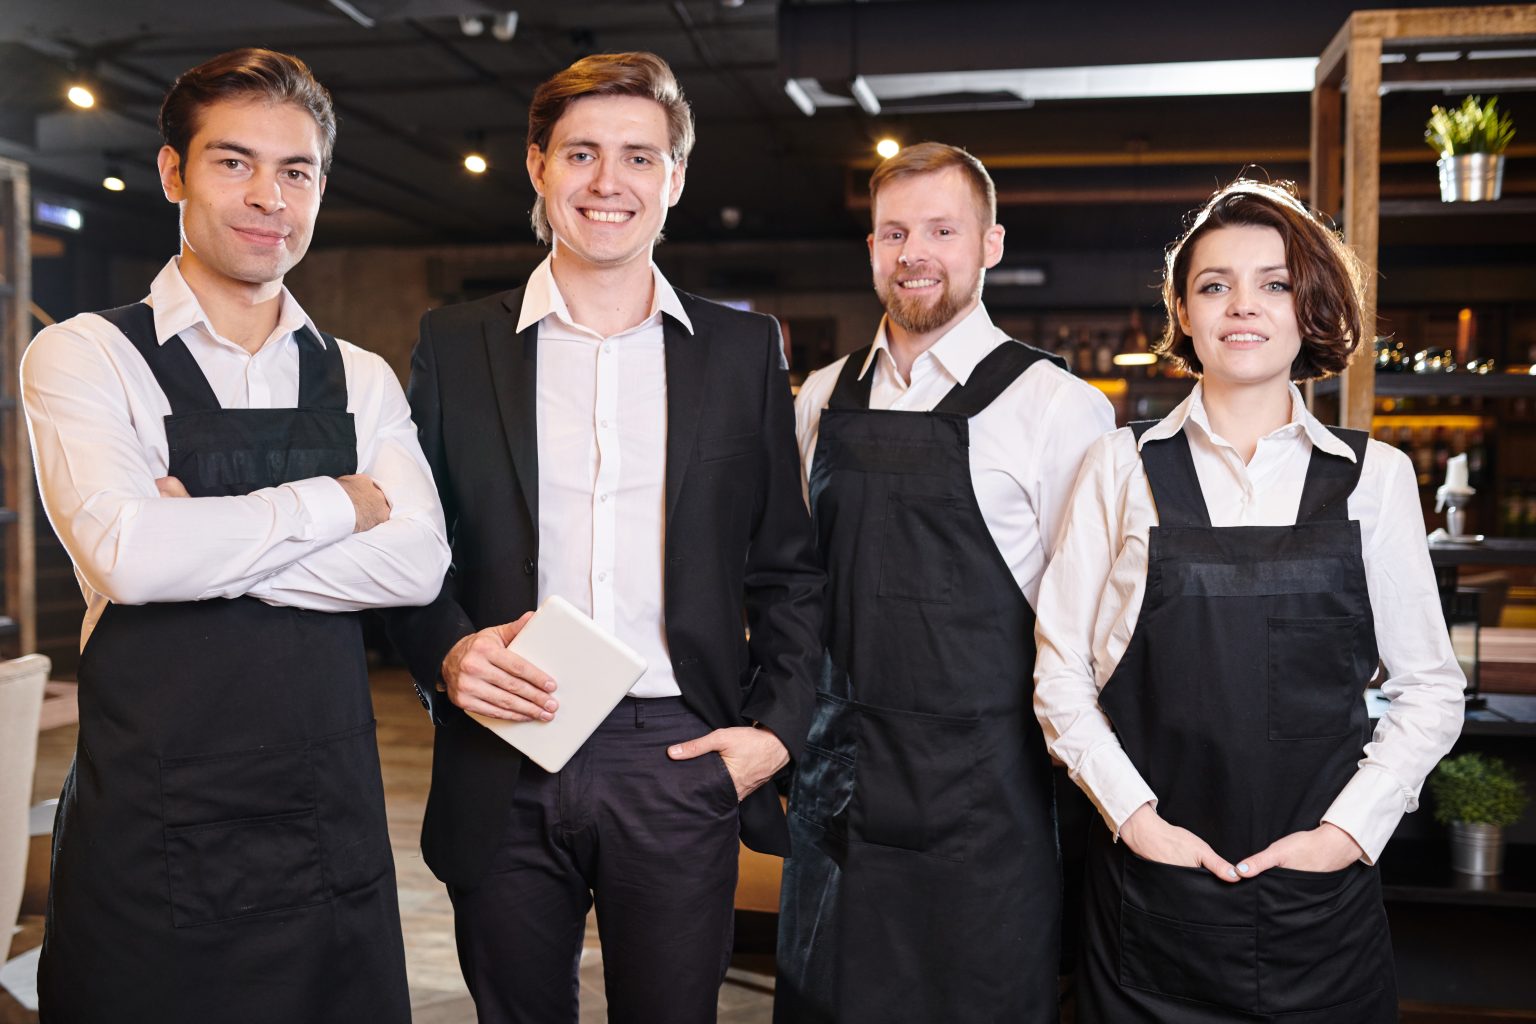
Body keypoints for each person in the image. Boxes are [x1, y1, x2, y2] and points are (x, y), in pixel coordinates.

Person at [380, 51, 822, 1024]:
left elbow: (788, 573)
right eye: (581, 152)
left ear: (674, 177)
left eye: (638, 156)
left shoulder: (743, 353)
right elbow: (412, 553)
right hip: (503, 743)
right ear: (538, 165)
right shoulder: (456, 344)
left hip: (676, 749)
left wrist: (771, 736)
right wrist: (448, 654)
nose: (608, 182)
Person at [21, 48, 449, 1023]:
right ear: (174, 172)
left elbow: (418, 563)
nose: (269, 196)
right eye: (233, 162)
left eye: (295, 170)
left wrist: (202, 536)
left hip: (327, 824)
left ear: (320, 187)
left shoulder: (363, 376)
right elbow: (130, 557)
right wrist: (337, 503)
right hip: (152, 826)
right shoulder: (86, 354)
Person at [1033, 179, 1467, 1023]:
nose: (1243, 305)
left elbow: (1430, 689)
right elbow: (1061, 680)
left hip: (1321, 909)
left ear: (1308, 309)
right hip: (1148, 904)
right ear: (1183, 315)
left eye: (1273, 283)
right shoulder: (1119, 470)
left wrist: (1345, 835)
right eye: (1213, 284)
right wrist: (1137, 820)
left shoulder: (1373, 478)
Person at [776, 142, 1115, 1023]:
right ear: (873, 249)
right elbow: (794, 584)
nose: (914, 251)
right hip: (839, 777)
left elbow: (1089, 628)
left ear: (990, 244)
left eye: (941, 229)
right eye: (895, 232)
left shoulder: (1058, 407)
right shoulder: (820, 395)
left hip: (986, 788)